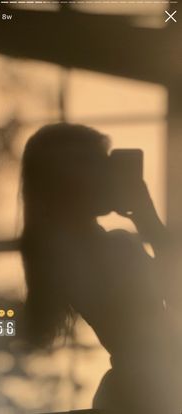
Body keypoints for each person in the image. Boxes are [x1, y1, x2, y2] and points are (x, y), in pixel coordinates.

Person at [20, 123, 181, 414]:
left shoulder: (77, 249)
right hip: (148, 392)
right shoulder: (97, 251)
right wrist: (147, 218)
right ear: (71, 179)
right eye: (99, 164)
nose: (110, 175)